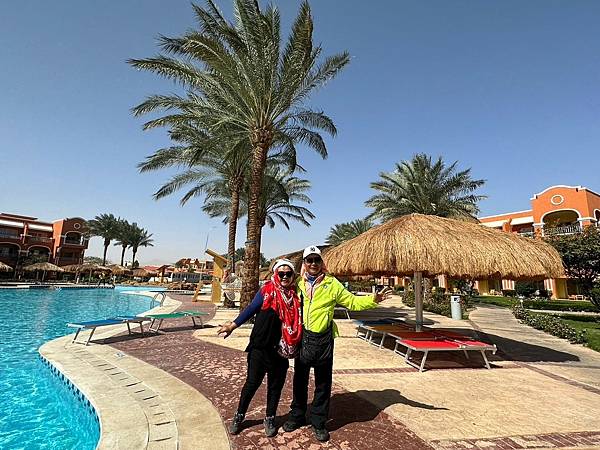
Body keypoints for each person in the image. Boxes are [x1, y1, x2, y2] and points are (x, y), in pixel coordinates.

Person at [283, 245, 391, 442]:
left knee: (323, 383)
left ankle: (318, 422)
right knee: (299, 380)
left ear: (321, 262)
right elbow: (279, 292)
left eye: (317, 260)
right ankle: (297, 416)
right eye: (309, 260)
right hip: (303, 339)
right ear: (304, 263)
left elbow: (352, 302)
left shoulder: (332, 284)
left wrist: (374, 299)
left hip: (324, 340)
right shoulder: (297, 283)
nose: (313, 263)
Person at [217, 259, 301, 438]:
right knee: (251, 384)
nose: (285, 277)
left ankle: (270, 418)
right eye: (281, 273)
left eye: (288, 274)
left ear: (293, 276)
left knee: (275, 386)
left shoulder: (295, 297)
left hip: (281, 350)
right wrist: (233, 325)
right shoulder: (266, 291)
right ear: (275, 274)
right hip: (260, 348)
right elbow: (250, 309)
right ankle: (239, 415)